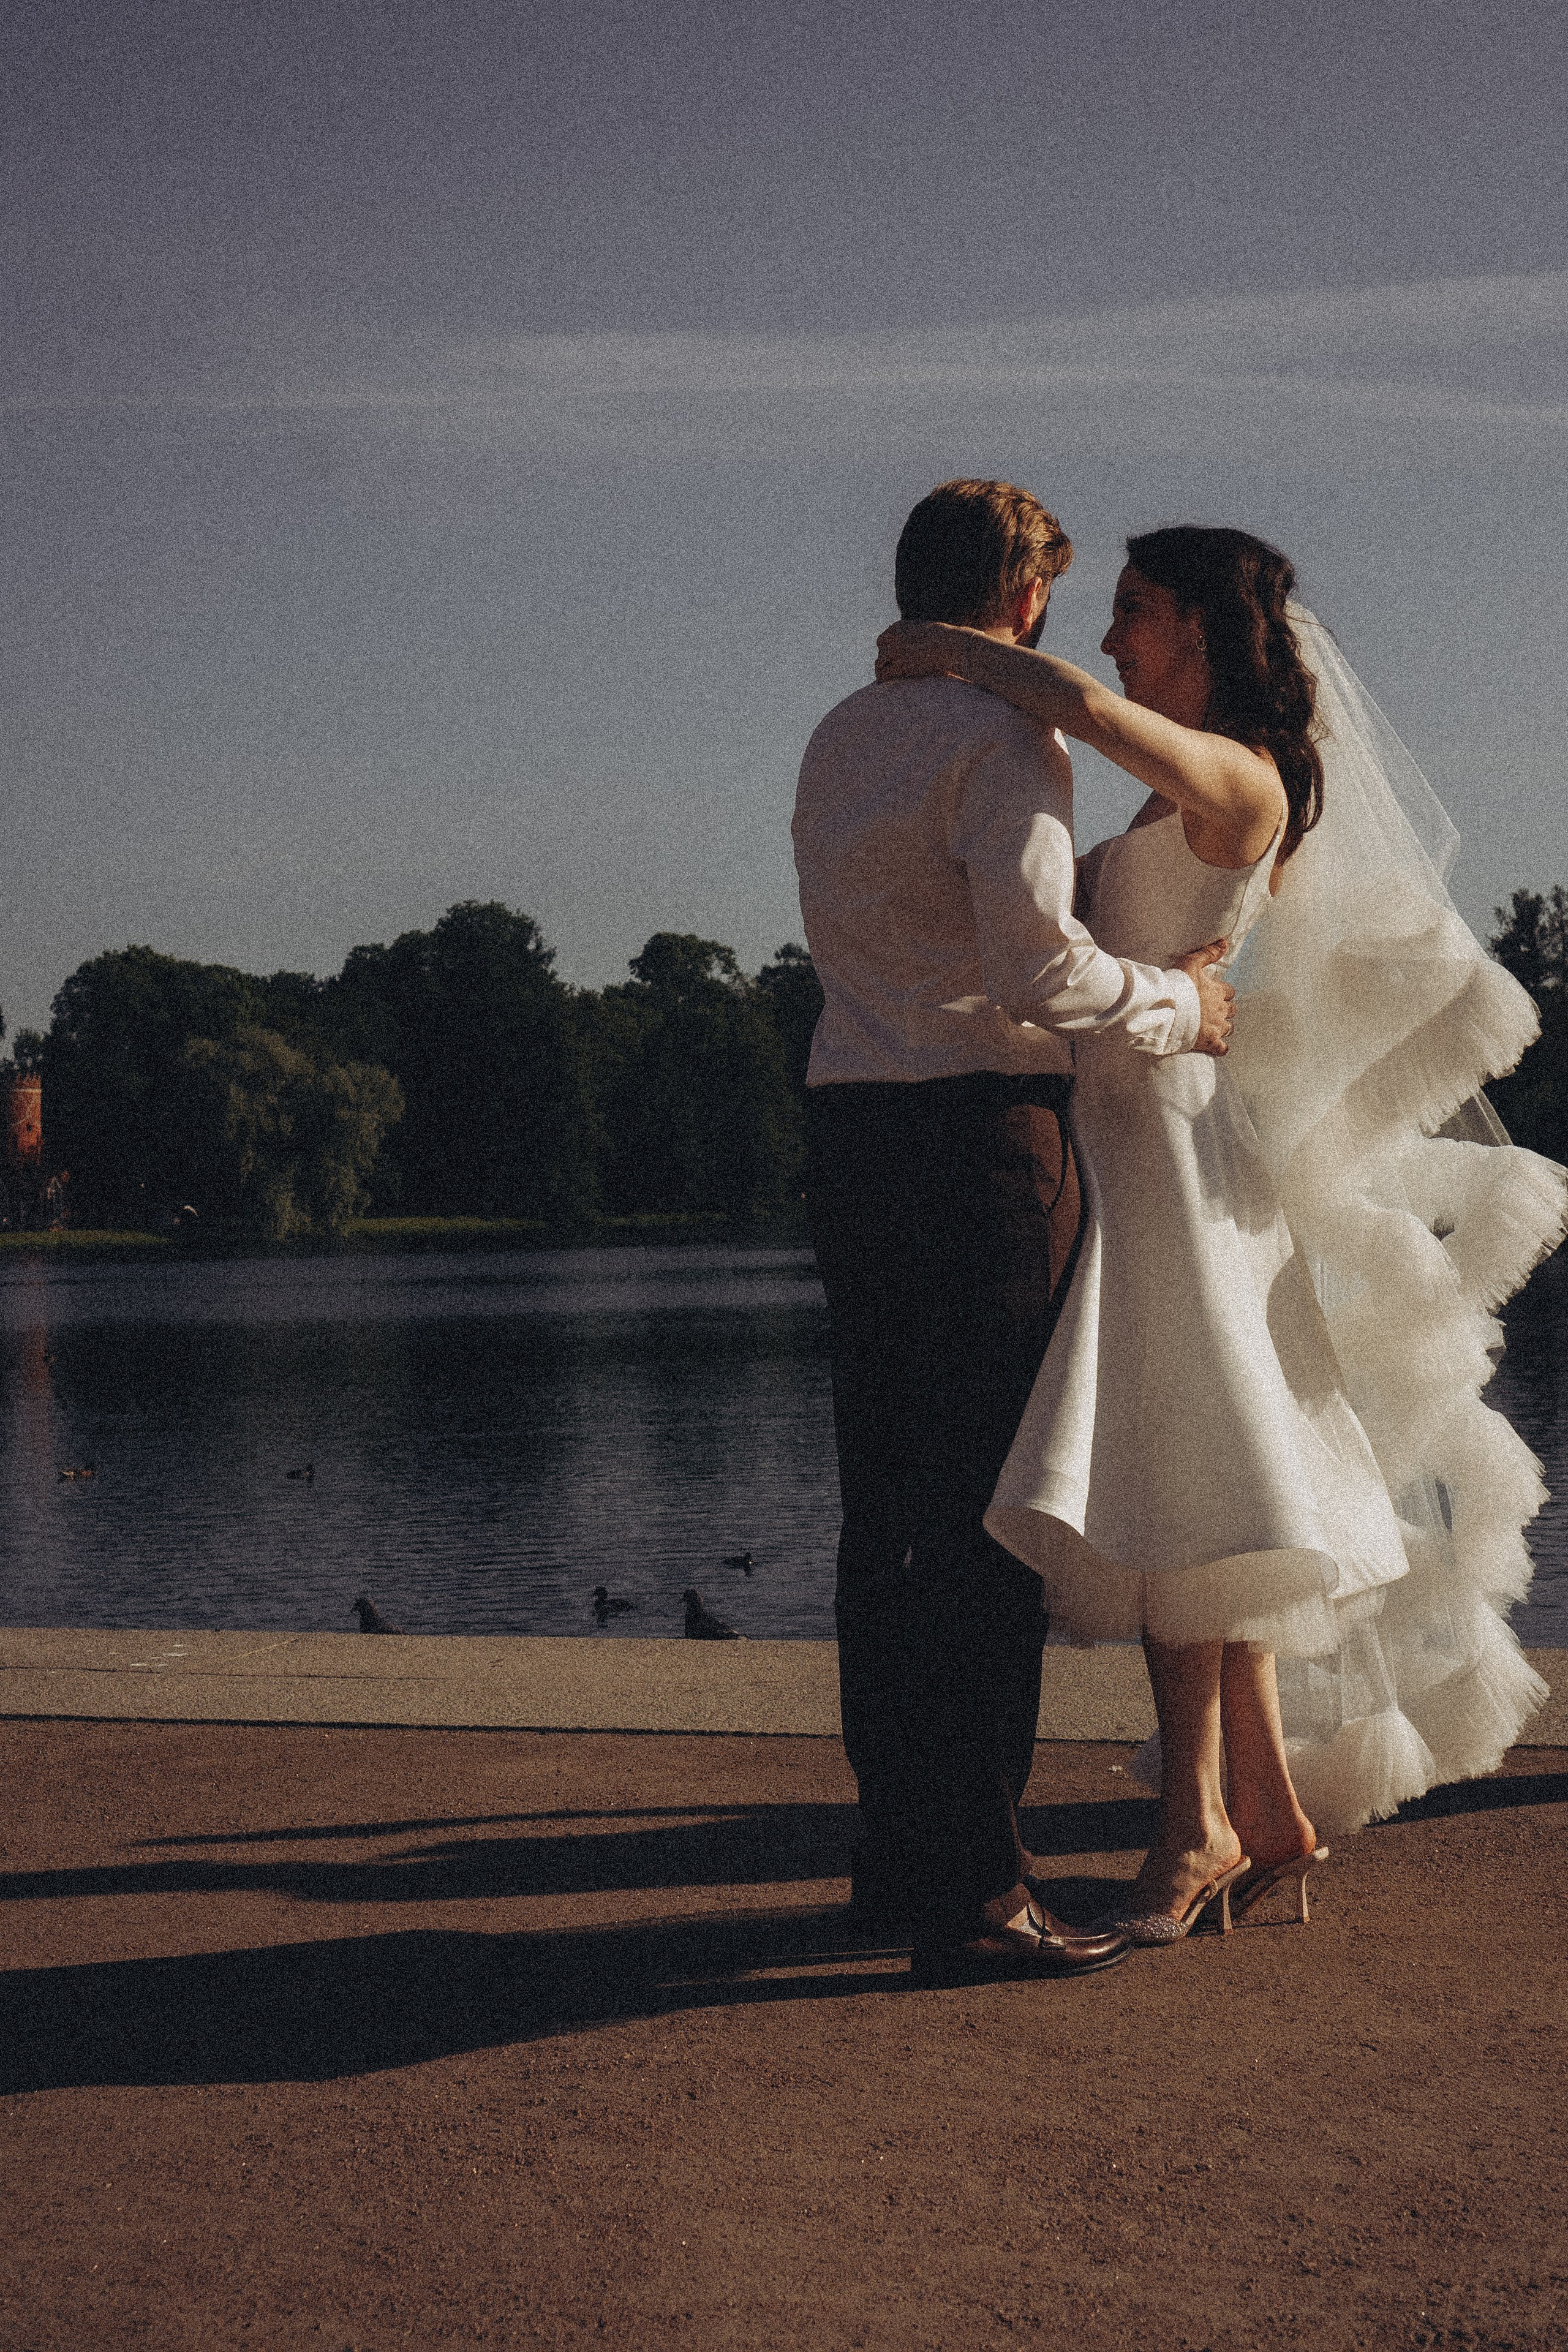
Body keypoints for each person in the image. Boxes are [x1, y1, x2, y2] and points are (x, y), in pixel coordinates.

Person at [877, 524, 1566, 1941]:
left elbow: (1075, 709)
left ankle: (1194, 1833)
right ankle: (1255, 1816)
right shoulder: (1159, 795)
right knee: (1189, 1491)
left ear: (1202, 626)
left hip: (1177, 1163)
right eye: (1110, 613)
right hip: (1131, 1139)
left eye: (1136, 609)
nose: (1115, 634)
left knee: (1180, 1490)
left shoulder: (1241, 779)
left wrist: (955, 651)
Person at [794, 481, 1236, 1982]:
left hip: (848, 1138)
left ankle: (898, 1856)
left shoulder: (837, 735)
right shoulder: (1002, 740)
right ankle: (982, 1895)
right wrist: (1185, 1005)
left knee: (886, 1518)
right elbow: (1041, 974)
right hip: (981, 1145)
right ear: (1023, 601)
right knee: (985, 1529)